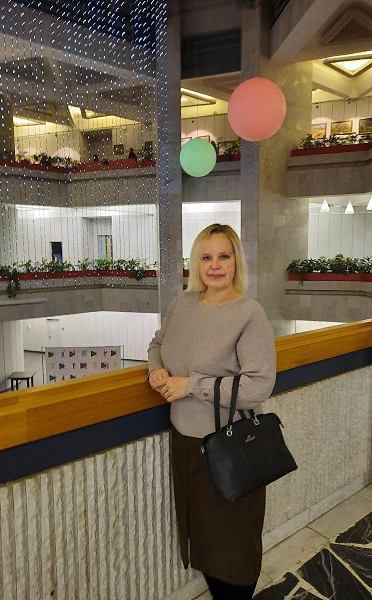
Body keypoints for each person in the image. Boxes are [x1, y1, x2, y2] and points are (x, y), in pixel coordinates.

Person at [147, 224, 276, 600]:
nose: (215, 266)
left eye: (223, 256)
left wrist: (191, 385)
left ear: (237, 261)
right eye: (206, 257)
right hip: (185, 446)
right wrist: (155, 370)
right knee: (203, 543)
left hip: (229, 447)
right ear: (195, 263)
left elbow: (258, 386)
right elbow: (157, 343)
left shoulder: (249, 314)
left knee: (234, 551)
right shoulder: (182, 304)